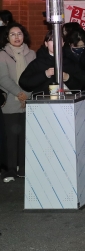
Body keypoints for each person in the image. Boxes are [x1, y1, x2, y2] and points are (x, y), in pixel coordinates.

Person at [0, 24, 35, 180]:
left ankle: (25, 168)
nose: (16, 37)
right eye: (12, 34)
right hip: (11, 101)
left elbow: (35, 77)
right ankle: (11, 170)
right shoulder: (2, 54)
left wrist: (26, 95)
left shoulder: (32, 54)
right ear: (7, 37)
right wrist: (19, 94)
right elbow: (3, 78)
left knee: (26, 137)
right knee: (11, 138)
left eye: (19, 34)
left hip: (29, 100)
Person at [19, 30, 85, 95]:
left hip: (66, 103)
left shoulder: (71, 62)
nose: (56, 43)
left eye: (59, 39)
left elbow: (82, 85)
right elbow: (24, 82)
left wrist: (67, 78)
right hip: (43, 103)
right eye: (51, 40)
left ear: (63, 43)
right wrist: (45, 74)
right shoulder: (38, 63)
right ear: (46, 44)